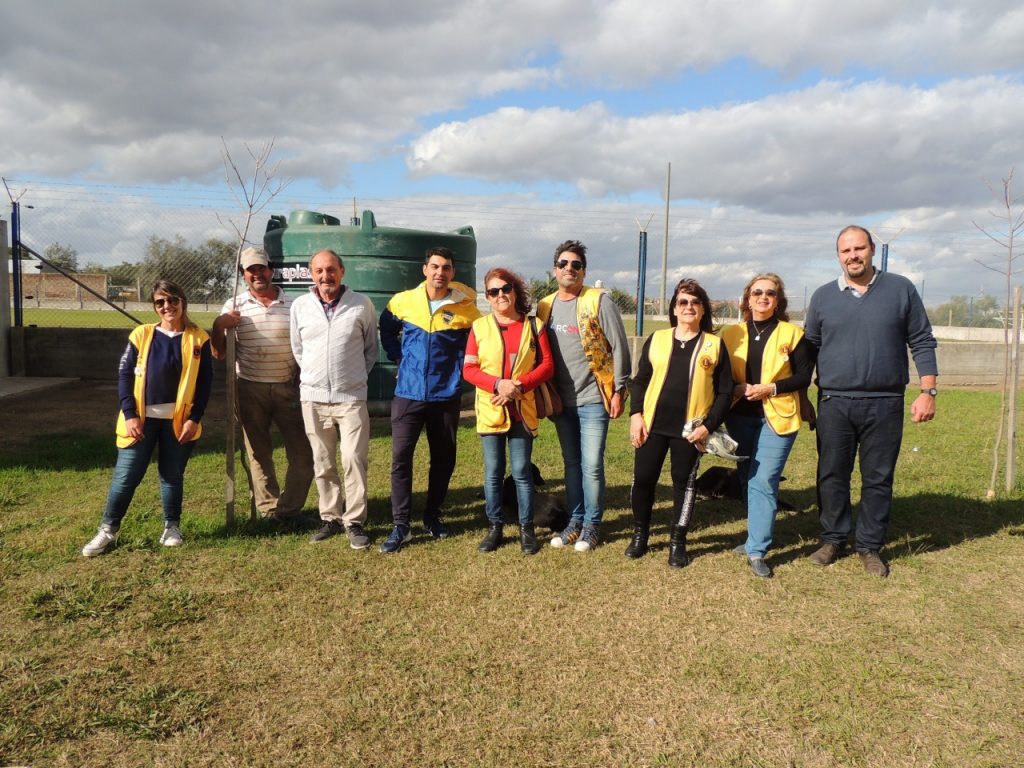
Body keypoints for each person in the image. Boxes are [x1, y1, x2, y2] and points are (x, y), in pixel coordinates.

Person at [804, 225, 938, 577]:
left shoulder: (901, 289)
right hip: (834, 401)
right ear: (838, 255)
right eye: (846, 251)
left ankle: (869, 546)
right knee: (832, 475)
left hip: (885, 402)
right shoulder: (822, 297)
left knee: (878, 478)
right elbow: (809, 350)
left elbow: (922, 340)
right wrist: (801, 395)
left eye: (859, 248)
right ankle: (833, 539)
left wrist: (928, 391)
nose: (853, 256)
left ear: (872, 250)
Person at [81, 280, 213, 556]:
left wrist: (194, 418)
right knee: (126, 477)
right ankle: (107, 530)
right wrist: (130, 415)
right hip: (140, 422)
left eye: (172, 300)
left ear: (182, 301)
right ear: (155, 306)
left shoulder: (198, 337)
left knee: (172, 476)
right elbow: (124, 376)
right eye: (160, 302)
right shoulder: (141, 334)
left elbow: (204, 384)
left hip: (179, 424)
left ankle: (171, 527)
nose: (167, 307)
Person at [378, 246, 481, 553]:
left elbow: (477, 343)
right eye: (435, 266)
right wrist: (400, 358)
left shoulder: (466, 308)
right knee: (400, 460)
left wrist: (460, 370)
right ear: (425, 269)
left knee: (444, 458)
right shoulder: (402, 301)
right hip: (407, 394)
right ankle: (401, 525)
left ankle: (433, 516)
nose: (440, 272)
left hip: (445, 395)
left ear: (452, 273)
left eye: (446, 267)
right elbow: (386, 331)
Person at [626, 278, 733, 567]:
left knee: (683, 484)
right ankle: (640, 535)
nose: (689, 306)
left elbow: (725, 392)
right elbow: (640, 381)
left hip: (690, 431)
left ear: (702, 309)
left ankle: (678, 541)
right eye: (683, 302)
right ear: (674, 308)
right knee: (644, 480)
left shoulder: (714, 345)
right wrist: (635, 415)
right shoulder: (657, 339)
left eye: (695, 302)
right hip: (652, 426)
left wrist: (707, 426)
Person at [536, 240, 631, 552]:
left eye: (576, 265)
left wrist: (619, 390)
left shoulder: (599, 301)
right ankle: (574, 522)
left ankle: (592, 524)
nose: (569, 269)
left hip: (593, 398)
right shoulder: (545, 305)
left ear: (584, 271)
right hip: (561, 402)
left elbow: (620, 346)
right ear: (555, 270)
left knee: (591, 465)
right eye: (563, 264)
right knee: (571, 464)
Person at [722, 273, 814, 578]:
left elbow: (803, 376)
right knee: (747, 477)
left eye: (770, 293)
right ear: (747, 298)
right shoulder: (730, 334)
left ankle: (758, 549)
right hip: (738, 417)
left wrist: (771, 389)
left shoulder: (793, 334)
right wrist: (735, 388)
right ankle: (753, 538)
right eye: (757, 292)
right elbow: (719, 378)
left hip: (779, 416)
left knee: (764, 479)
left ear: (778, 300)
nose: (763, 297)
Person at [211, 246, 313, 521]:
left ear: (271, 270)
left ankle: (289, 510)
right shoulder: (234, 306)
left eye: (261, 268)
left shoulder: (295, 304)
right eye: (250, 270)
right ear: (243, 275)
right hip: (249, 389)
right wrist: (219, 325)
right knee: (259, 453)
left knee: (304, 454)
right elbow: (219, 353)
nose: (257, 274)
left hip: (287, 387)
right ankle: (268, 510)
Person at [290, 249, 378, 549]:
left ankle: (354, 521)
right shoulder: (301, 306)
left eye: (331, 270)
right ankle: (330, 516)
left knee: (353, 458)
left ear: (342, 271)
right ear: (311, 274)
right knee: (322, 460)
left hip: (351, 397)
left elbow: (370, 350)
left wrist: (351, 378)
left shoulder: (361, 304)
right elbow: (298, 349)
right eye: (319, 271)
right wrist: (316, 378)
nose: (325, 276)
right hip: (313, 398)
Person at [463, 268, 554, 554]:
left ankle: (527, 529)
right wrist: (497, 384)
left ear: (514, 291)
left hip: (521, 409)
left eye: (505, 289)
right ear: (487, 297)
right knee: (492, 472)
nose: (500, 295)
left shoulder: (533, 325)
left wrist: (518, 386)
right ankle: (495, 527)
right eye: (493, 291)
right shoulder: (479, 327)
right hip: (491, 410)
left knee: (522, 472)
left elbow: (547, 365)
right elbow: (469, 369)